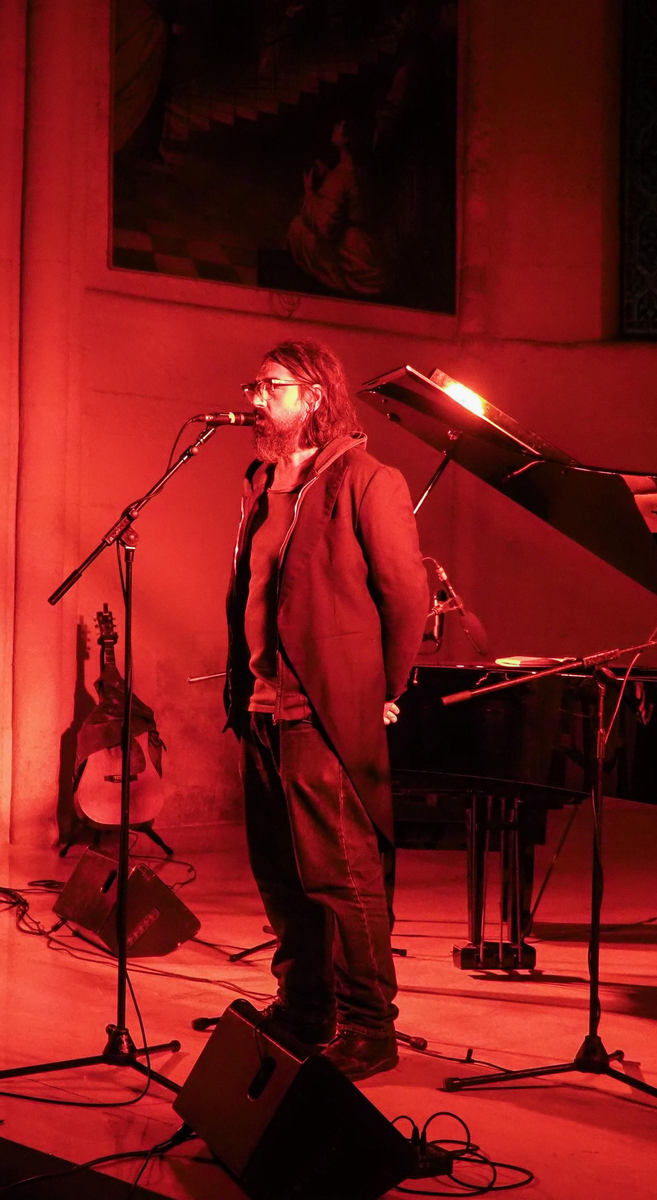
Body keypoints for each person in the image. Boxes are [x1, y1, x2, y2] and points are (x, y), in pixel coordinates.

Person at [224, 338, 427, 1080]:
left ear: (313, 396)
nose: (255, 399)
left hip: (320, 711)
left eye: (269, 386)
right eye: (253, 386)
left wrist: (381, 691)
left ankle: (371, 1026)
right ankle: (305, 1006)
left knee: (341, 875)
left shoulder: (368, 480)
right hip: (259, 705)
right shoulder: (262, 482)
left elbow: (407, 597)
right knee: (281, 874)